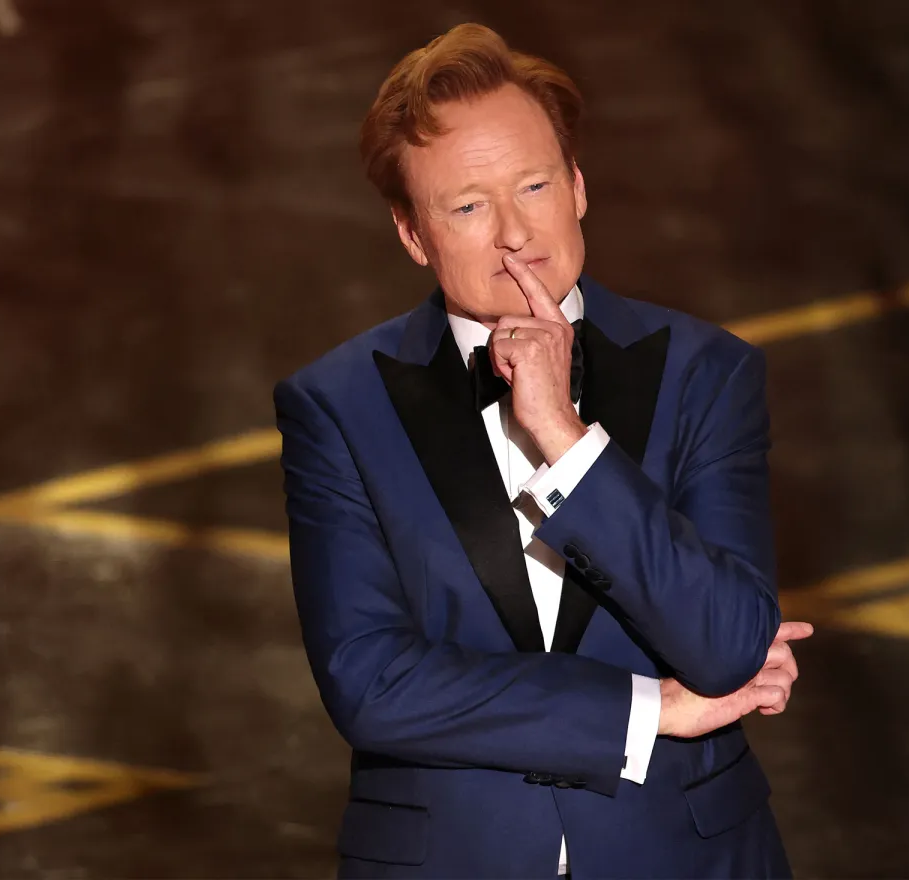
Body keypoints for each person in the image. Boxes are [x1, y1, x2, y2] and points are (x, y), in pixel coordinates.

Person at [274, 22, 813, 879]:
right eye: (468, 206)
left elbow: (728, 645)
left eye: (534, 185)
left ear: (578, 187)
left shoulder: (708, 372)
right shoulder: (336, 406)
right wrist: (645, 712)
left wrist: (564, 436)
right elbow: (370, 682)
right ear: (412, 234)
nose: (515, 233)